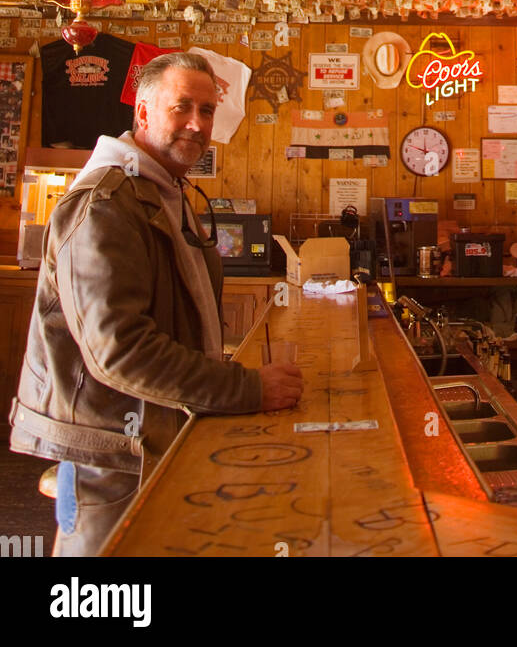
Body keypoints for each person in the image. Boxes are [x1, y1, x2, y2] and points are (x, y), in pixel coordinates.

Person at [10, 52, 303, 556]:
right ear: (142, 113)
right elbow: (120, 351)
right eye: (182, 107)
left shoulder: (161, 189)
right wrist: (246, 388)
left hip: (151, 434)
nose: (197, 123)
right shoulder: (105, 203)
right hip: (111, 452)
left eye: (207, 110)